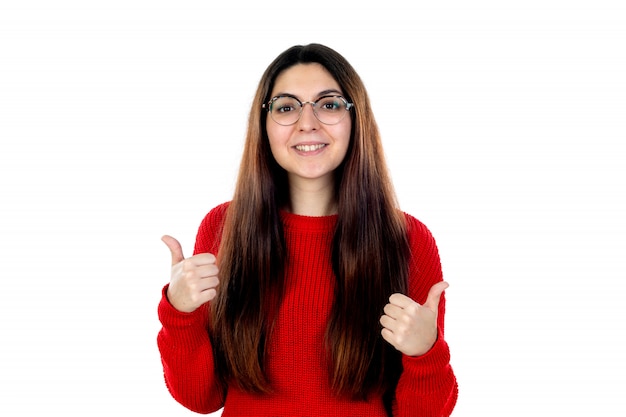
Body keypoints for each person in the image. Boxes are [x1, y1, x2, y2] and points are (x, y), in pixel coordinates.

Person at [157, 43, 458, 417]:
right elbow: (200, 398)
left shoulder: (408, 239)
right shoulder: (222, 228)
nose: (307, 122)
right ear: (263, 124)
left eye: (329, 104)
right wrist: (180, 313)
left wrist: (425, 352)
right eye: (286, 107)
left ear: (355, 118)